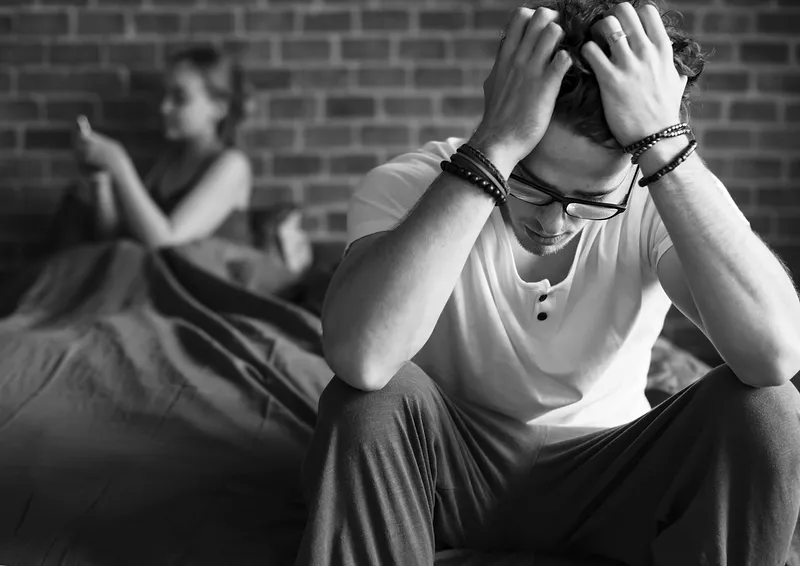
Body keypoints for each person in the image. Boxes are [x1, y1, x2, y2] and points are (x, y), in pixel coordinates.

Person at [296, 1, 800, 564]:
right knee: (365, 404)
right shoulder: (412, 184)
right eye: (531, 184)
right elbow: (361, 359)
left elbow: (775, 356)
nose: (553, 222)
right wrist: (492, 149)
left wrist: (665, 143)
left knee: (769, 411)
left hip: (611, 481)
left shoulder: (658, 192)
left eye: (590, 200)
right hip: (447, 474)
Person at [71, 44, 253, 248]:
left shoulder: (233, 165)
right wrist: (101, 179)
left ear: (218, 108)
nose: (164, 108)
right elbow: (119, 238)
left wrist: (120, 164)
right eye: (166, 95)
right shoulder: (168, 163)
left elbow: (167, 242)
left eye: (180, 98)